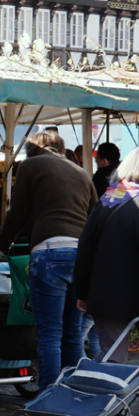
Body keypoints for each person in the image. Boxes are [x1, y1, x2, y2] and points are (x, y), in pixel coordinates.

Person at [0, 131, 98, 388]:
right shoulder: (82, 173)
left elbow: (17, 213)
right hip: (81, 255)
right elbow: (95, 218)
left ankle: (47, 403)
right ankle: (75, 396)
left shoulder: (31, 165)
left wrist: (2, 242)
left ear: (32, 149)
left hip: (50, 252)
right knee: (73, 336)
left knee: (49, 335)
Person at [74, 147, 139, 364]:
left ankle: (104, 396)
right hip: (122, 294)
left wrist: (83, 292)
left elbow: (85, 248)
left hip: (109, 296)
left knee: (113, 359)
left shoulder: (110, 197)